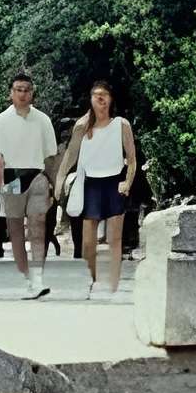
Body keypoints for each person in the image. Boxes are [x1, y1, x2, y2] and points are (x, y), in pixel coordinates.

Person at [58, 82, 139, 298]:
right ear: (90, 100)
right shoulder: (82, 127)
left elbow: (131, 160)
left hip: (114, 183)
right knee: (88, 241)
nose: (100, 99)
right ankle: (90, 281)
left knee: (114, 239)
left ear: (111, 99)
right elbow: (70, 157)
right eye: (95, 96)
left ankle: (115, 284)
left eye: (104, 95)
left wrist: (127, 183)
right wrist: (59, 182)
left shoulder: (121, 124)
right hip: (90, 184)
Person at [0, 71, 58, 299]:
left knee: (38, 228)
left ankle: (38, 278)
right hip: (11, 177)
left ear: (32, 93)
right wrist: (1, 188)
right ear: (11, 93)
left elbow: (50, 157)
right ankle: (28, 277)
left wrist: (54, 184)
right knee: (16, 230)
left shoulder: (43, 120)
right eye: (18, 89)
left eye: (27, 90)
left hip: (37, 176)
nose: (23, 94)